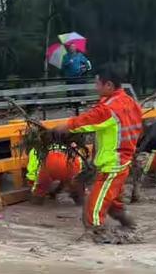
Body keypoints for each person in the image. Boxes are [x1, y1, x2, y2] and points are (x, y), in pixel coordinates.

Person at [54, 66, 143, 241]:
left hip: (113, 163)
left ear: (108, 85)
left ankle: (95, 233)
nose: (96, 88)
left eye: (97, 84)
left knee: (94, 205)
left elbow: (87, 120)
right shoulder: (130, 101)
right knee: (113, 202)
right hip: (122, 159)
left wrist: (63, 128)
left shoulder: (109, 108)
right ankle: (130, 225)